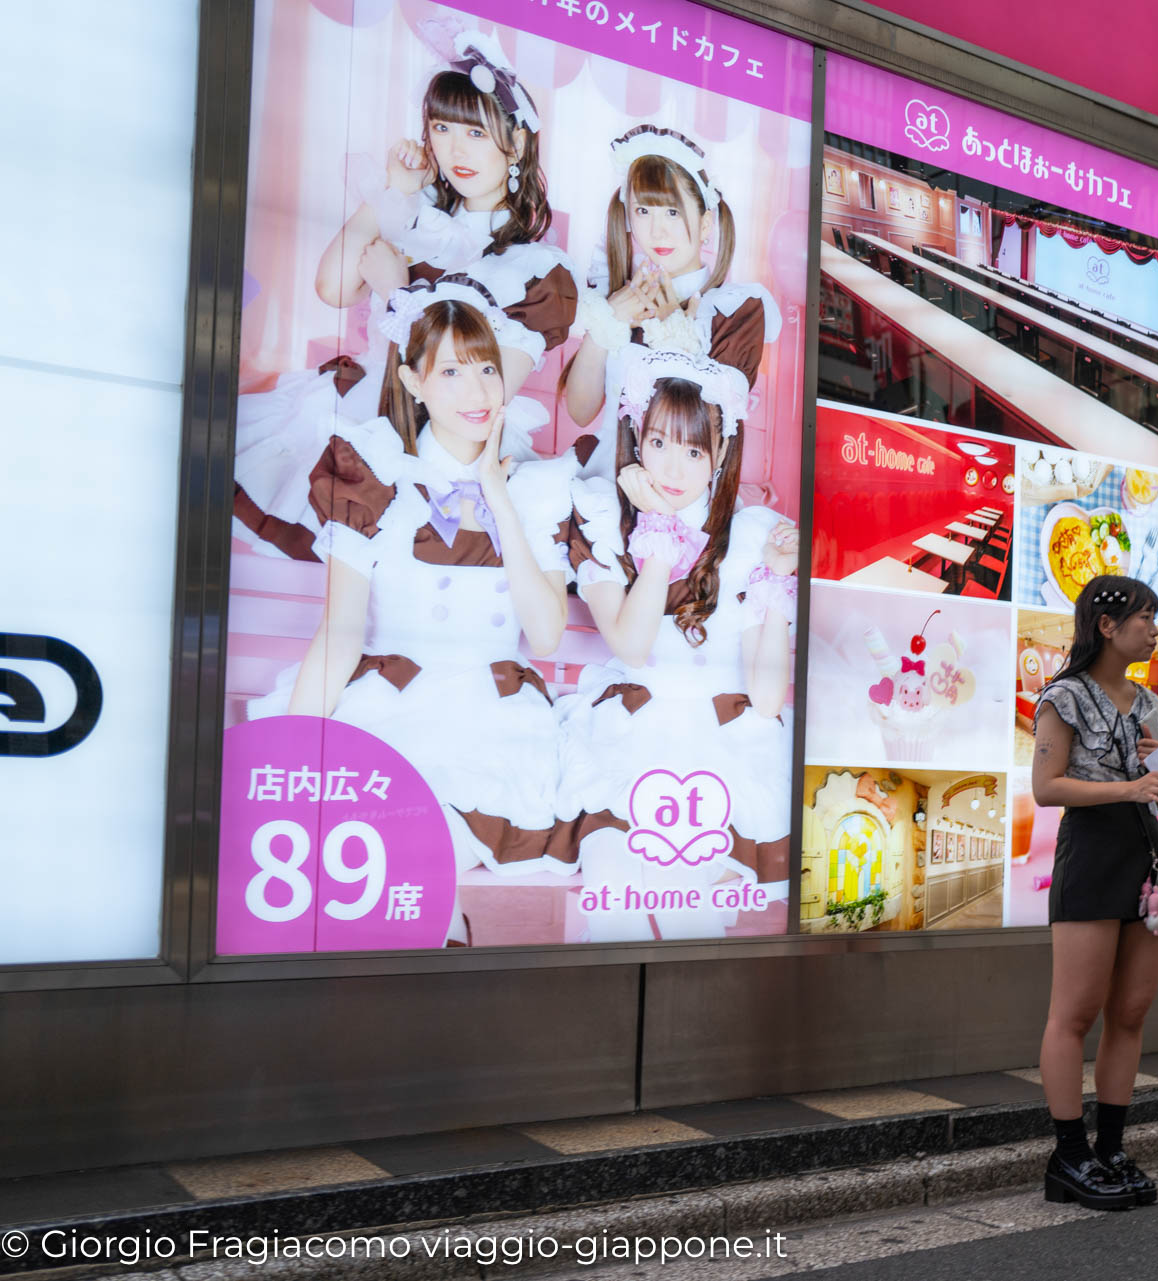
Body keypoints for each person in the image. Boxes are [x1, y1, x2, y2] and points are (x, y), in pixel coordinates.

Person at [264, 278, 577, 943]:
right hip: (394, 705)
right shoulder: (375, 477)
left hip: (493, 719)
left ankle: (432, 951)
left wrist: (497, 492)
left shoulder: (536, 486)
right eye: (453, 371)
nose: (478, 391)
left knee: (425, 850)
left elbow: (545, 634)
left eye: (488, 368)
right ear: (413, 379)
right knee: (371, 856)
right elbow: (341, 632)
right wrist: (290, 755)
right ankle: (432, 952)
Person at [233, 29, 577, 560]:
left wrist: (399, 295)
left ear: (519, 143)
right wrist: (395, 190)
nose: (455, 149)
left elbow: (487, 391)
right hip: (360, 408)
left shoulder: (536, 271)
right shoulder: (416, 219)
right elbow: (332, 285)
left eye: (476, 133)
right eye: (442, 127)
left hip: (441, 451)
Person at [549, 348, 798, 939]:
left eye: (693, 450)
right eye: (658, 442)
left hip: (718, 751)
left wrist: (777, 586)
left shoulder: (751, 537)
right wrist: (658, 528)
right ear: (636, 437)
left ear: (718, 458)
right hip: (629, 737)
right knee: (612, 915)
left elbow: (765, 702)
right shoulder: (605, 517)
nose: (674, 467)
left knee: (698, 927)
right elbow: (632, 646)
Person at [1031, 575, 1158, 1211]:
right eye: (1144, 618)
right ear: (1106, 626)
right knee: (1076, 1013)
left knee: (1131, 1011)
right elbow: (1047, 787)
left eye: (1154, 617)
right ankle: (1068, 1156)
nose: (1153, 629)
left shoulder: (1154, 705)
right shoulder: (1062, 697)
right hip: (1092, 857)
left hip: (1146, 863)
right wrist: (1130, 787)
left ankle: (1112, 1148)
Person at [566, 125, 781, 473]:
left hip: (680, 505)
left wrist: (674, 333)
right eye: (643, 211)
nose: (657, 230)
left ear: (706, 224)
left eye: (673, 212)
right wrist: (607, 322)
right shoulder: (617, 290)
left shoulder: (736, 311)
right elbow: (580, 412)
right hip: (604, 482)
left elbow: (713, 438)